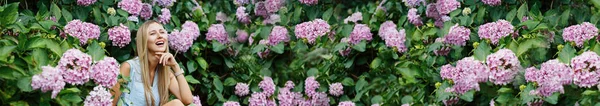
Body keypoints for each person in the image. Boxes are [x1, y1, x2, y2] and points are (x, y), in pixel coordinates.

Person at [111, 20, 193, 106]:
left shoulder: (165, 74)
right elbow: (110, 103)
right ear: (144, 41)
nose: (159, 36)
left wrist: (175, 66)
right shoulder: (128, 67)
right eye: (152, 33)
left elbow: (187, 100)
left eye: (162, 32)